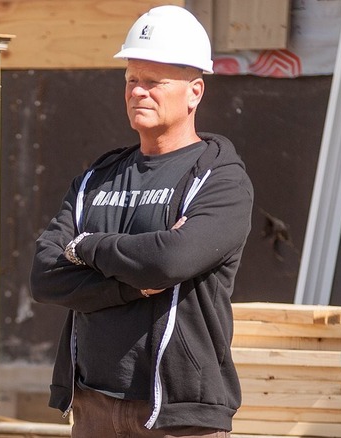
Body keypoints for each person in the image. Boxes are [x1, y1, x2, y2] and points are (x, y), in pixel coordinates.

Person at [30, 5, 253, 437]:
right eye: (132, 80)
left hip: (179, 413)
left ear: (195, 92)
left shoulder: (220, 180)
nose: (138, 92)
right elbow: (44, 275)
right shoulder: (98, 178)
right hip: (93, 404)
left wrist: (86, 247)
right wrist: (130, 282)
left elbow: (169, 261)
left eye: (154, 82)